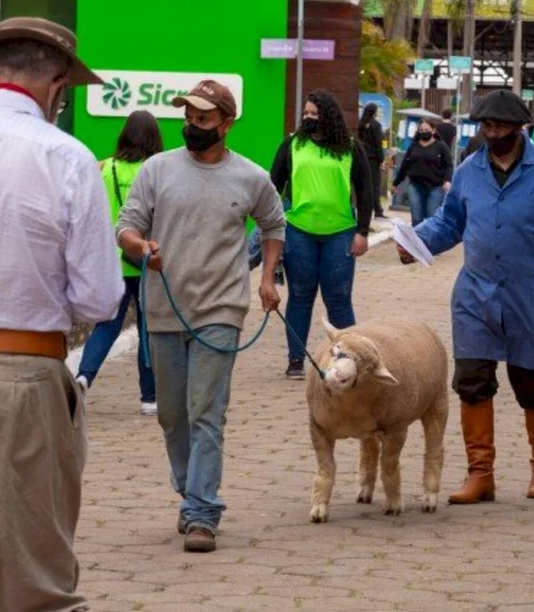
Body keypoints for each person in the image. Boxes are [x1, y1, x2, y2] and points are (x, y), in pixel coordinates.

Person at [0, 18, 123, 610]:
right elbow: (99, 298)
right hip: (19, 377)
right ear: (58, 87)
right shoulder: (67, 157)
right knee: (36, 580)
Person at [399, 89, 534, 504]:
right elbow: (450, 221)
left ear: (519, 128)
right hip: (476, 293)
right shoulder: (470, 170)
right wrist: (414, 242)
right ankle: (480, 474)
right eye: (486, 127)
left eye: (501, 127)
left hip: (532, 291)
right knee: (471, 380)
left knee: (531, 380)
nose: (492, 134)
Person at [118, 80, 286, 553]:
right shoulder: (156, 170)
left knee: (206, 412)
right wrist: (141, 247)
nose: (193, 126)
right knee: (172, 415)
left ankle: (202, 513)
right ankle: (190, 492)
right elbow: (127, 226)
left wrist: (268, 277)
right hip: (164, 307)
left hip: (222, 309)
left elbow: (274, 224)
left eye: (204, 119)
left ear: (226, 124)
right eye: (189, 118)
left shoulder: (251, 177)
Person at [270, 91, 373, 380]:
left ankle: (348, 357)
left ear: (328, 116)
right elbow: (272, 185)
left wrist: (362, 231)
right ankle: (295, 360)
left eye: (314, 113)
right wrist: (272, 230)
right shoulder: (292, 144)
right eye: (305, 113)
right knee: (300, 296)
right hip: (298, 232)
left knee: (338, 299)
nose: (308, 117)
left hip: (340, 234)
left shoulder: (350, 147)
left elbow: (366, 190)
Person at [77, 110, 163, 415]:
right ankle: (149, 397)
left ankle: (84, 376)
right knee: (147, 329)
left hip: (112, 261)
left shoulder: (106, 167)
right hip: (143, 259)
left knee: (106, 324)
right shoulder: (155, 170)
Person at [392, 118, 453, 226]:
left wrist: (447, 180)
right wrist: (396, 183)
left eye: (427, 129)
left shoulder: (441, 146)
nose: (424, 132)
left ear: (433, 130)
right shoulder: (413, 146)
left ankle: (429, 242)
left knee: (431, 218)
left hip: (436, 187)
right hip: (415, 186)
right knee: (416, 218)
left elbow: (449, 165)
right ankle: (416, 242)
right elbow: (405, 166)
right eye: (421, 130)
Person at [358, 102, 387, 218]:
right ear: (374, 112)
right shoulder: (376, 125)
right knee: (374, 185)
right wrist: (381, 160)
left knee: (364, 185)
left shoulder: (360, 124)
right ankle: (378, 210)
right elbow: (378, 144)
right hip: (373, 159)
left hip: (362, 157)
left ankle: (365, 210)